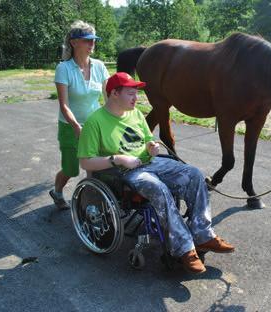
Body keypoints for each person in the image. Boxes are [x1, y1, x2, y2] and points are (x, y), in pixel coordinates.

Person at [77, 72, 235, 274]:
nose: (136, 98)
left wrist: (151, 146)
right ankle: (184, 248)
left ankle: (203, 235)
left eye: (137, 93)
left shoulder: (134, 113)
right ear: (114, 93)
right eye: (131, 93)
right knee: (156, 188)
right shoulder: (95, 122)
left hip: (151, 163)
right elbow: (85, 162)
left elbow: (147, 139)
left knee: (194, 174)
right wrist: (117, 158)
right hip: (124, 172)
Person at [50, 20, 110, 210]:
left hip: (94, 125)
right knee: (71, 168)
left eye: (93, 40)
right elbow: (64, 105)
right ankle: (57, 191)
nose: (92, 44)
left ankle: (92, 200)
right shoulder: (64, 69)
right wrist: (76, 126)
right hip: (70, 126)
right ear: (74, 42)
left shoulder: (99, 66)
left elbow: (108, 98)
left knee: (94, 164)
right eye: (87, 40)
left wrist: (112, 119)